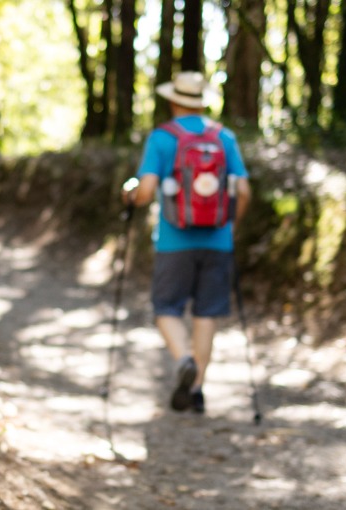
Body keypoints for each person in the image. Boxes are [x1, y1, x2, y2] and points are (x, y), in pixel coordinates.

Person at [122, 71, 251, 414]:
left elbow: (146, 191)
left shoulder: (162, 138)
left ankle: (183, 360)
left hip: (174, 241)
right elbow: (243, 190)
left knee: (166, 308)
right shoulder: (224, 137)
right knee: (206, 314)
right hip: (218, 241)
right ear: (202, 102)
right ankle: (196, 390)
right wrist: (231, 227)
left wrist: (130, 195)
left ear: (173, 101)